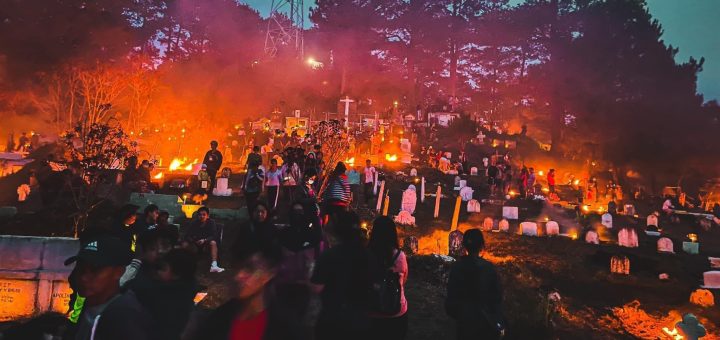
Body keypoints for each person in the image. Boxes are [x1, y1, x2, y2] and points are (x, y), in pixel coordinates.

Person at [191, 234, 309, 340]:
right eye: (236, 267)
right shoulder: (217, 320)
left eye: (249, 268)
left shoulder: (286, 328)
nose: (238, 276)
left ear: (268, 273)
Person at [64, 236, 153, 340]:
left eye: (95, 270)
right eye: (81, 269)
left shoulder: (124, 317)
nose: (84, 278)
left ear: (118, 272)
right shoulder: (92, 304)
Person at [312, 211, 371, 340]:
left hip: (332, 319)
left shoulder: (329, 256)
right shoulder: (369, 256)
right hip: (360, 321)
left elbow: (317, 287)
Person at [446, 229, 504, 340]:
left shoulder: (457, 267)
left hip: (464, 322)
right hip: (485, 323)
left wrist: (459, 314)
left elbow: (451, 299)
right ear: (482, 245)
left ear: (464, 245)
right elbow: (497, 298)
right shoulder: (489, 268)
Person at [367, 217, 408, 340]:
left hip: (371, 310)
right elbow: (403, 280)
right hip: (396, 311)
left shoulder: (366, 255)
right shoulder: (400, 256)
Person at [182, 207, 224, 273]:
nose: (202, 216)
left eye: (204, 214)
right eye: (200, 215)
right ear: (197, 216)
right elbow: (187, 235)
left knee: (213, 243)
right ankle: (183, 263)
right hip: (195, 243)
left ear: (207, 216)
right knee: (185, 244)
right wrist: (193, 241)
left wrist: (204, 240)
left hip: (206, 243)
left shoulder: (211, 222)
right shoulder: (194, 223)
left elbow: (214, 235)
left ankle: (214, 266)